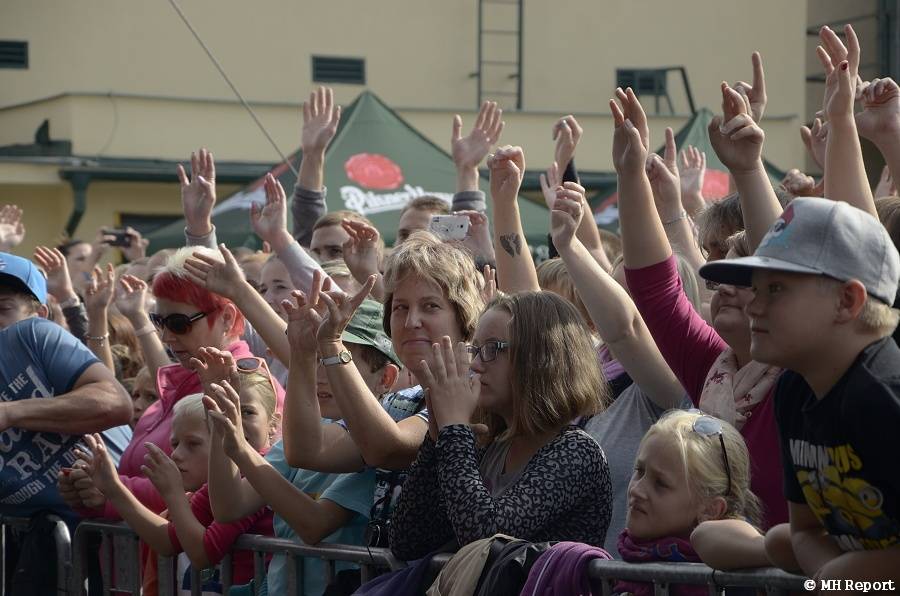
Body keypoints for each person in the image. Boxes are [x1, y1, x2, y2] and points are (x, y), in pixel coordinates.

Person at [700, 197, 900, 586]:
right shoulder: (793, 389)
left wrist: (856, 576)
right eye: (754, 288)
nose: (754, 306)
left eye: (775, 289)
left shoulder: (884, 400)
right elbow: (804, 531)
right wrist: (834, 576)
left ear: (847, 301)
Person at [614, 83, 789, 529]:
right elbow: (654, 289)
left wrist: (748, 169)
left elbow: (788, 270)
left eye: (745, 277)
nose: (723, 284)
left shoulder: (804, 377)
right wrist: (630, 174)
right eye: (722, 272)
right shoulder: (713, 367)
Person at [388, 291, 613, 560]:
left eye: (492, 349)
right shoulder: (492, 445)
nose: (475, 364)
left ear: (541, 358)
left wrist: (455, 430)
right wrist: (436, 440)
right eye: (476, 349)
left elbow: (485, 538)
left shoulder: (577, 453)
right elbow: (407, 540)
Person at [203, 292, 400, 596]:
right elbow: (229, 507)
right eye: (318, 358)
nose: (321, 375)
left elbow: (314, 525)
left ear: (385, 378)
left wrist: (241, 451)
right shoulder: (303, 436)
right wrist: (222, 421)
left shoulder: (382, 442)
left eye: (337, 360)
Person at [75, 383, 278, 595]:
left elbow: (203, 553)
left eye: (193, 444)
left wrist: (173, 494)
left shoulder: (255, 475)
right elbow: (168, 541)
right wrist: (113, 488)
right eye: (175, 444)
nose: (176, 455)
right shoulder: (209, 489)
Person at [615, 410, 764, 595]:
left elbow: (725, 534)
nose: (637, 490)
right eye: (639, 470)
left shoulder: (725, 577)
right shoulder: (626, 563)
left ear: (711, 509)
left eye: (661, 484)